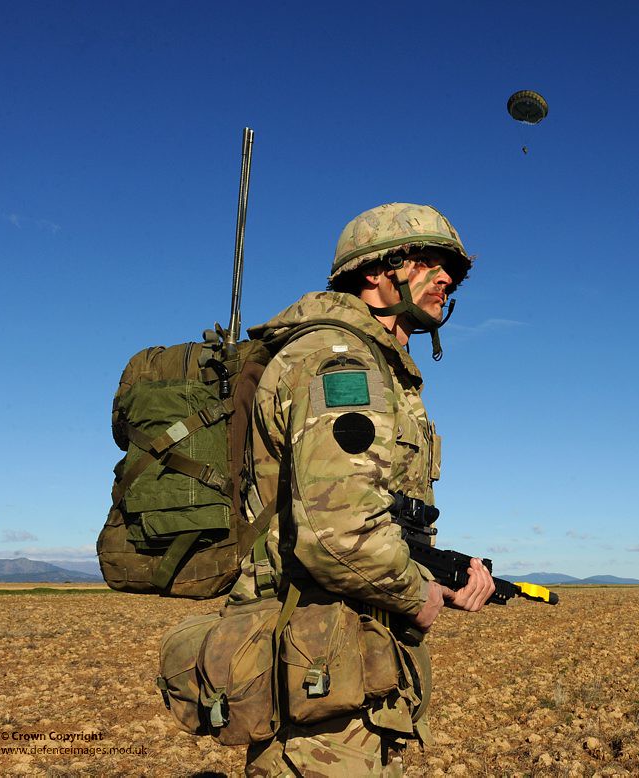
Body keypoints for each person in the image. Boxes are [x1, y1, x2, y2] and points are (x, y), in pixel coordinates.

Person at [229, 202, 495, 777]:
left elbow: (376, 515)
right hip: (319, 671)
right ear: (375, 271)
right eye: (427, 261)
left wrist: (440, 575)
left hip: (348, 661)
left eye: (452, 269)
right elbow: (339, 533)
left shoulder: (373, 363)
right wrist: (416, 594)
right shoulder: (340, 363)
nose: (447, 278)